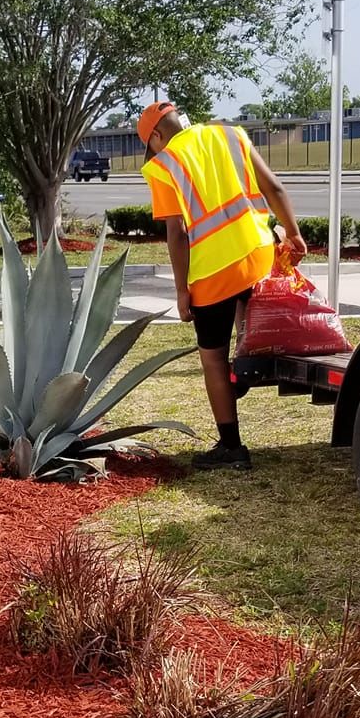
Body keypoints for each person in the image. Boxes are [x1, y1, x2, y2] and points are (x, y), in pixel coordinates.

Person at [138, 102, 307, 471]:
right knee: (247, 300)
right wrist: (292, 232)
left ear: (155, 137)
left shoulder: (163, 165)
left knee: (212, 358)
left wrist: (182, 291)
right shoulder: (231, 134)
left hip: (213, 272)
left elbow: (178, 233)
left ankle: (232, 447)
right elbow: (274, 186)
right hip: (257, 254)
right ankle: (244, 366)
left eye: (149, 145)